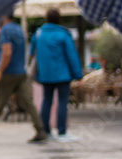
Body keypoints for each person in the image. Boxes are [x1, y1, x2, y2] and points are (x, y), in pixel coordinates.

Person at [0, 16, 48, 144]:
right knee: (28, 102)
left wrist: (0, 70)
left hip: (8, 73)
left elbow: (7, 52)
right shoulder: (19, 29)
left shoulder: (5, 30)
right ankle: (40, 130)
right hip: (21, 72)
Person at [30, 9, 84, 142]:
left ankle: (46, 131)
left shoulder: (38, 34)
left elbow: (32, 52)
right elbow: (72, 56)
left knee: (46, 101)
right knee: (62, 102)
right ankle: (62, 131)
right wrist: (78, 74)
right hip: (62, 75)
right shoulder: (63, 35)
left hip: (45, 74)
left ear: (46, 19)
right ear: (59, 19)